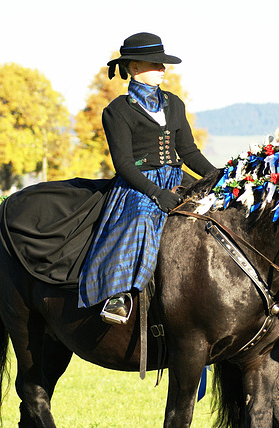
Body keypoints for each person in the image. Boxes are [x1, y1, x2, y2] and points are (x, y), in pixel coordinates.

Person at [78, 32, 217, 324]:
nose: (163, 69)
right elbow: (124, 165)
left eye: (163, 64)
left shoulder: (174, 104)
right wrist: (156, 193)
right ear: (135, 67)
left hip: (177, 177)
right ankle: (119, 295)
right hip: (138, 186)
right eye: (156, 64)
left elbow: (189, 151)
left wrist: (218, 176)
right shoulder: (116, 111)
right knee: (141, 219)